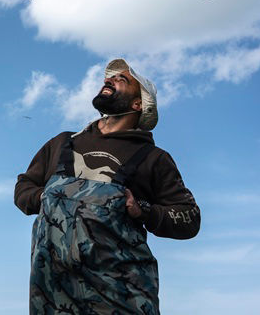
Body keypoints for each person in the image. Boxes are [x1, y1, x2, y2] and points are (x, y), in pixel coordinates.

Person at [14, 58, 200, 315]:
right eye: (108, 78)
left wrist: (142, 209)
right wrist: (45, 197)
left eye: (121, 79)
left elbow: (190, 219)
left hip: (120, 296)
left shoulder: (154, 158)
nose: (108, 80)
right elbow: (24, 186)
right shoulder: (62, 144)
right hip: (53, 294)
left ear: (138, 104)